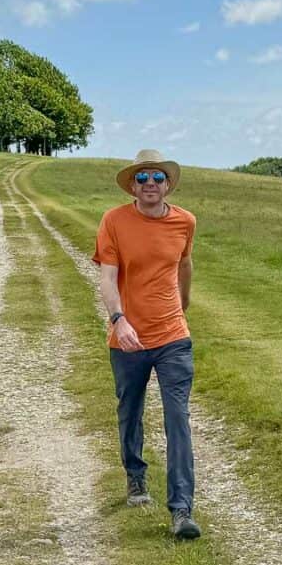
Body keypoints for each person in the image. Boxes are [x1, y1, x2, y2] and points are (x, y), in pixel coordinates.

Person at [93, 149, 200, 540]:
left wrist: (183, 304)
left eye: (157, 177)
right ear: (133, 185)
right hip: (129, 338)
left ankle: (181, 509)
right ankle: (135, 476)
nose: (150, 184)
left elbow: (184, 263)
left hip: (173, 337)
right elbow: (108, 277)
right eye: (142, 178)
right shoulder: (114, 221)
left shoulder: (184, 222)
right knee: (130, 409)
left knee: (178, 419)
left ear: (167, 183)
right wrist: (118, 320)